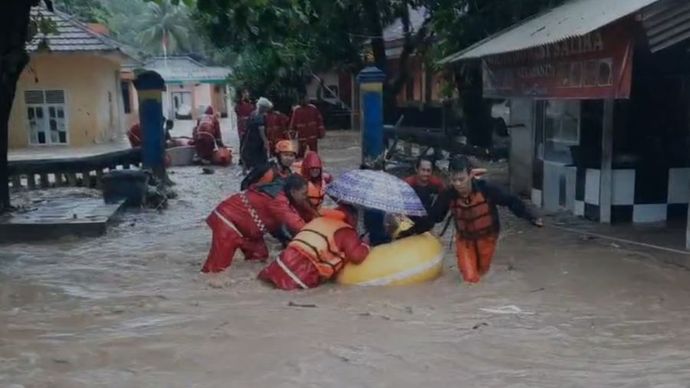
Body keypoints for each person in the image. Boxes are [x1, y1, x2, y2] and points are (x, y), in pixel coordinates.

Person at [398, 156, 543, 284]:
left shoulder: (487, 189)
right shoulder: (448, 194)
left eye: (461, 179)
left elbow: (512, 201)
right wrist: (408, 233)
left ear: (470, 175)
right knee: (470, 279)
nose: (458, 184)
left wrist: (531, 216)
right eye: (454, 180)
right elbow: (433, 218)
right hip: (464, 240)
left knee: (482, 272)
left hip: (488, 237)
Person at [201, 174, 315, 273]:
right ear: (293, 191)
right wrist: (315, 234)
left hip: (247, 229)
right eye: (304, 194)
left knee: (259, 257)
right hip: (228, 222)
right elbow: (294, 222)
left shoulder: (283, 194)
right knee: (215, 270)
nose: (305, 197)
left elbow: (292, 219)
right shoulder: (278, 200)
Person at [258, 203, 370, 290]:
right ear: (353, 218)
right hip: (303, 270)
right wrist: (365, 244)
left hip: (282, 260)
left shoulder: (317, 220)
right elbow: (356, 257)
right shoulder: (346, 231)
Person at [241, 97, 273, 172]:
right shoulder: (260, 117)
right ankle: (258, 172)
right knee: (258, 156)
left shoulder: (253, 113)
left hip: (249, 137)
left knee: (247, 153)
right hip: (256, 140)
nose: (267, 110)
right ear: (263, 108)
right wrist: (266, 142)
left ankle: (245, 170)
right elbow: (261, 131)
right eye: (266, 108)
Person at [235, 90, 255, 154]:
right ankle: (242, 157)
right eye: (244, 93)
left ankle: (249, 157)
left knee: (250, 140)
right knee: (242, 140)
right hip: (242, 125)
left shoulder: (251, 103)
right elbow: (237, 111)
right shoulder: (239, 104)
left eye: (247, 93)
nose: (246, 94)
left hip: (249, 124)